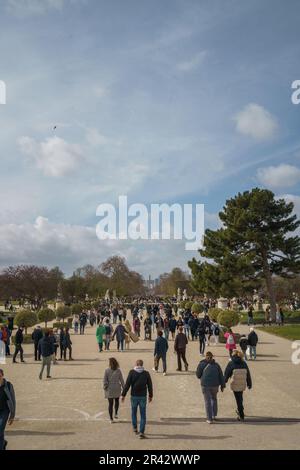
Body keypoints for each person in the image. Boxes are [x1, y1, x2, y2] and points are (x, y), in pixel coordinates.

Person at [121, 359, 153, 439]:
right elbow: (150, 385)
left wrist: (123, 395)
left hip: (134, 396)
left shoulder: (132, 372)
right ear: (142, 365)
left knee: (134, 412)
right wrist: (150, 396)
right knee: (143, 415)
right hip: (143, 396)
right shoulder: (146, 373)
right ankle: (141, 432)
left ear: (136, 364)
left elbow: (127, 384)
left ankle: (135, 428)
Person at [196, 351, 225, 424]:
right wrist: (222, 385)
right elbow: (221, 375)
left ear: (206, 357)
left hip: (205, 385)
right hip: (215, 385)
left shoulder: (202, 364)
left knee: (207, 401)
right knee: (214, 399)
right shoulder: (217, 365)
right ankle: (214, 415)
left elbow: (198, 375)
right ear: (212, 357)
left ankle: (209, 419)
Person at [224, 350, 252, 421]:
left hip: (235, 383)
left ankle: (241, 414)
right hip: (242, 383)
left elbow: (226, 373)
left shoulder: (231, 363)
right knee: (240, 396)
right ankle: (240, 409)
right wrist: (249, 383)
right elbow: (248, 374)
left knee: (238, 399)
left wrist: (223, 382)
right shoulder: (244, 363)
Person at [103, 358, 125, 423]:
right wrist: (124, 389)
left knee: (110, 404)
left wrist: (105, 386)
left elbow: (105, 380)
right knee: (117, 401)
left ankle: (111, 419)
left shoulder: (106, 370)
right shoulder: (118, 370)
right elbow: (122, 380)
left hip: (110, 389)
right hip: (117, 388)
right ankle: (116, 413)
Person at [0, 369, 16, 450]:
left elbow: (13, 400)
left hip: (4, 411)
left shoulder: (8, 385)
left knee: (0, 428)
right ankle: (3, 443)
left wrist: (12, 416)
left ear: (2, 375)